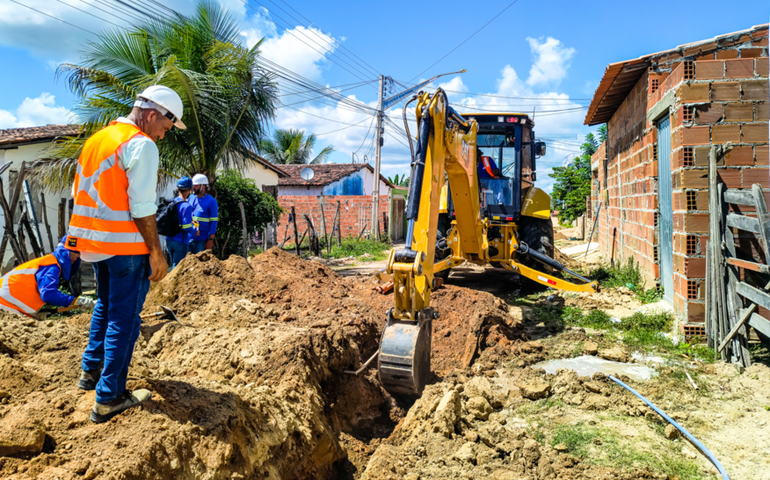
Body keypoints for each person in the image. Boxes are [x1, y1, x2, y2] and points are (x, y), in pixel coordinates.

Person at [67, 84, 185, 424]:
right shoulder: (140, 144)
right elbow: (143, 206)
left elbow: (82, 193)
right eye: (165, 128)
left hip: (96, 245)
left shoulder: (98, 140)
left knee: (104, 307)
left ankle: (90, 374)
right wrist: (156, 252)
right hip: (126, 248)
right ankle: (109, 397)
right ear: (152, 115)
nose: (163, 136)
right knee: (124, 319)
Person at [0, 237, 95, 318]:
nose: (75, 259)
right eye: (73, 255)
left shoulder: (49, 263)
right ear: (64, 253)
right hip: (4, 306)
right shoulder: (51, 265)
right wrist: (76, 301)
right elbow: (48, 294)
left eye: (77, 256)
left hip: (8, 307)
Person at [164, 176, 196, 268]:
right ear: (190, 189)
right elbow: (186, 227)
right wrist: (195, 231)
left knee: (173, 265)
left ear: (178, 188)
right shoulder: (186, 206)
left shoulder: (171, 202)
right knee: (178, 268)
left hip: (169, 240)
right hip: (180, 241)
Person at [188, 173, 218, 254]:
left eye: (196, 186)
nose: (193, 188)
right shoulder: (190, 198)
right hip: (188, 238)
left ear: (203, 186)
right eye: (193, 185)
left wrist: (210, 240)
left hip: (202, 240)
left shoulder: (211, 201)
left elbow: (214, 222)